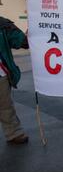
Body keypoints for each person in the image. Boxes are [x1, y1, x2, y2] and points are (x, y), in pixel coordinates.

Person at [0, 16, 29, 144]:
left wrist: (34, 31)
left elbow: (21, 41)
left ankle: (13, 133)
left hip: (1, 74)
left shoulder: (2, 24)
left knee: (6, 106)